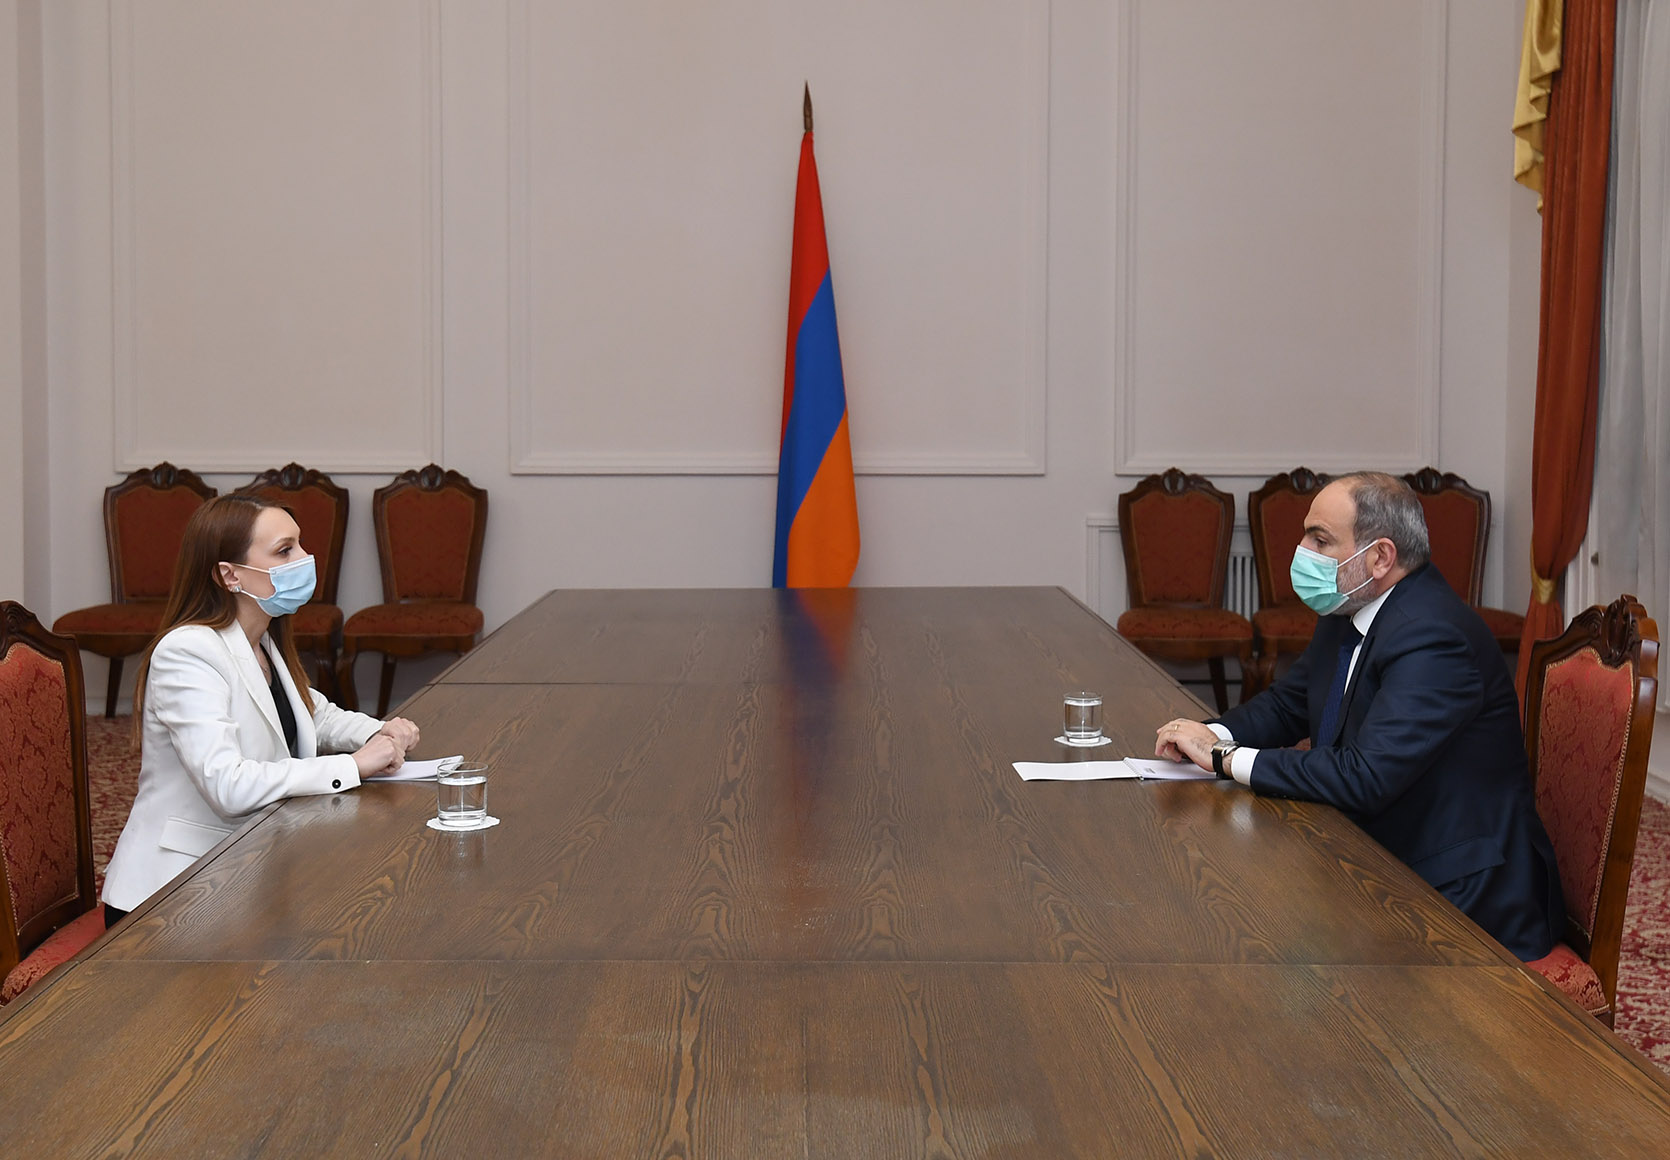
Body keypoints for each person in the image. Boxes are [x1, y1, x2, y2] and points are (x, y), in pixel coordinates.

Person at [1153, 471, 1563, 961]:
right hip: (1376, 851)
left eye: (1320, 540)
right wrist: (1208, 733)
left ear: (1380, 557)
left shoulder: (1434, 637)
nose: (1301, 551)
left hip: (1459, 894)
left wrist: (1225, 757)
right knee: (1227, 910)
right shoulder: (1350, 607)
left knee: (1260, 943)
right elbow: (1289, 703)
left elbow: (1365, 775)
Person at [101, 494, 421, 924]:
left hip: (245, 870)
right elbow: (228, 786)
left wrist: (378, 732)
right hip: (174, 894)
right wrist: (353, 765)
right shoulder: (187, 651)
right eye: (285, 551)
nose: (305, 559)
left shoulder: (262, 639)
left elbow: (314, 714)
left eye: (301, 544)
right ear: (229, 574)